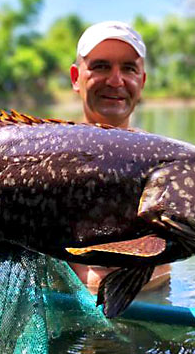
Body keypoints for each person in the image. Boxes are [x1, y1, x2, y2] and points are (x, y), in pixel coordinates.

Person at [68, 21, 171, 292]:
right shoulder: (45, 157)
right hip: (68, 313)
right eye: (101, 66)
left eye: (128, 68)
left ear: (142, 80)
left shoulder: (164, 163)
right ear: (75, 78)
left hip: (155, 302)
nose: (116, 81)